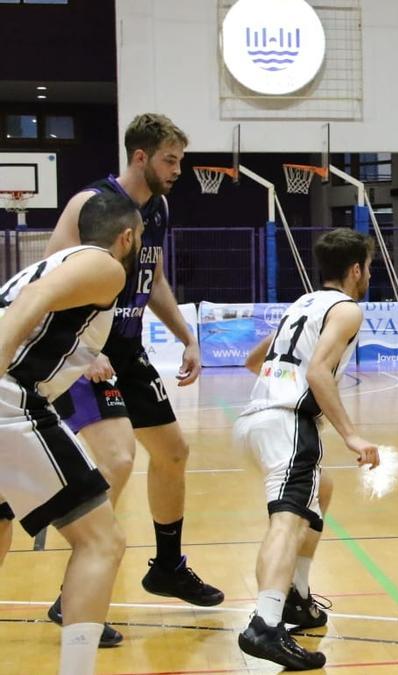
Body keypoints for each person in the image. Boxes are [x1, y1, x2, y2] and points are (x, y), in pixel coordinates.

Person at [43, 113, 222, 645]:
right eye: (171, 160)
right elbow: (48, 279)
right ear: (140, 157)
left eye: (181, 160)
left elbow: (154, 278)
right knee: (118, 458)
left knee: (172, 451)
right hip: (84, 348)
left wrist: (187, 334)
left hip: (128, 347)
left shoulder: (159, 209)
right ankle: (72, 596)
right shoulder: (90, 204)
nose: (178, 170)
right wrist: (77, 348)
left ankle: (167, 567)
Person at [0, 193, 140, 675]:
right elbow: (33, 303)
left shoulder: (55, 263)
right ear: (126, 237)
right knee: (102, 540)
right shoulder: (106, 266)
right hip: (9, 398)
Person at [233, 229, 380, 670]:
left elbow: (253, 361)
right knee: (287, 521)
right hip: (288, 423)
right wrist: (353, 434)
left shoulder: (302, 303)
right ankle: (265, 621)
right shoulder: (348, 309)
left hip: (255, 419)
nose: (368, 274)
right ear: (356, 270)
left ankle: (297, 597)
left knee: (323, 488)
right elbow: (318, 372)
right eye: (368, 267)